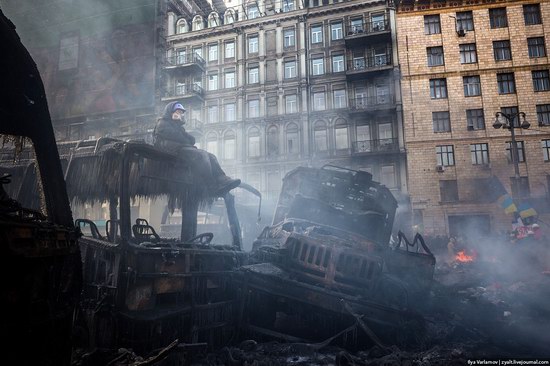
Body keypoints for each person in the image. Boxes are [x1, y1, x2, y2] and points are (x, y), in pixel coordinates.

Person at [154, 101, 240, 197]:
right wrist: (184, 137)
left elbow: (192, 139)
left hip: (180, 148)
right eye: (177, 112)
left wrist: (180, 127)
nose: (179, 115)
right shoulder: (162, 123)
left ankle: (223, 179)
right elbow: (178, 137)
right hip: (170, 150)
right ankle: (212, 187)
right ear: (170, 112)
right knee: (202, 155)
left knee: (211, 156)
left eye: (180, 113)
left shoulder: (178, 126)